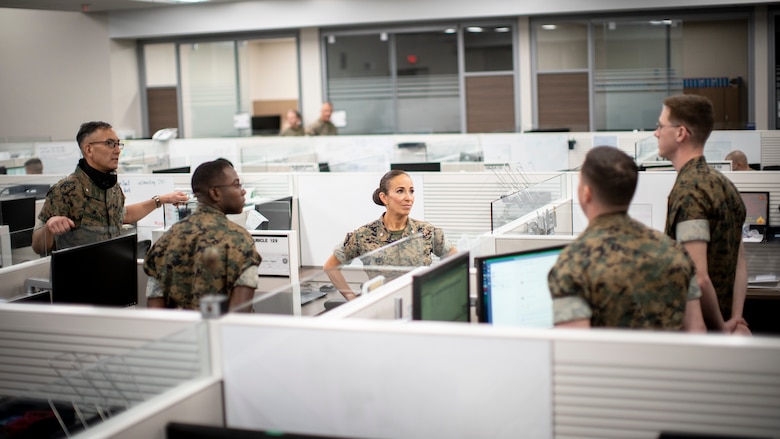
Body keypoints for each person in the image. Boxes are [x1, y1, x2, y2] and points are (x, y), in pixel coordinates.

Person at [547, 146, 704, 331]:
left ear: (586, 193)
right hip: (670, 360)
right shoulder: (675, 252)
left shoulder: (573, 263)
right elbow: (697, 330)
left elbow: (573, 348)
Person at [656, 94, 750, 335]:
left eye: (660, 126)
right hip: (724, 324)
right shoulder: (725, 184)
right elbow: (740, 262)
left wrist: (722, 329)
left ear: (680, 133)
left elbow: (698, 277)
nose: (656, 133)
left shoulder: (690, 191)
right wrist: (736, 318)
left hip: (704, 334)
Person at [31, 121, 189, 255]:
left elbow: (124, 215)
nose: (117, 150)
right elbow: (38, 247)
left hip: (111, 269)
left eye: (118, 144)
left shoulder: (111, 186)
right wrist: (49, 228)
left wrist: (161, 200)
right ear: (89, 149)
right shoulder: (65, 189)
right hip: (80, 275)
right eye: (109, 144)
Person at [144, 159, 262, 312]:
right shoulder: (239, 240)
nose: (243, 190)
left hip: (177, 334)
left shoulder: (166, 240)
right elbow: (239, 314)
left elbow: (155, 311)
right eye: (236, 184)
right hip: (218, 335)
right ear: (215, 193)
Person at [323, 170, 456, 301]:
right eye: (400, 191)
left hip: (419, 305)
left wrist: (439, 289)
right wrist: (352, 299)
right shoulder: (364, 235)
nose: (408, 197)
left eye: (411, 191)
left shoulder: (426, 231)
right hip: (381, 307)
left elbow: (454, 257)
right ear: (384, 198)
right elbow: (330, 266)